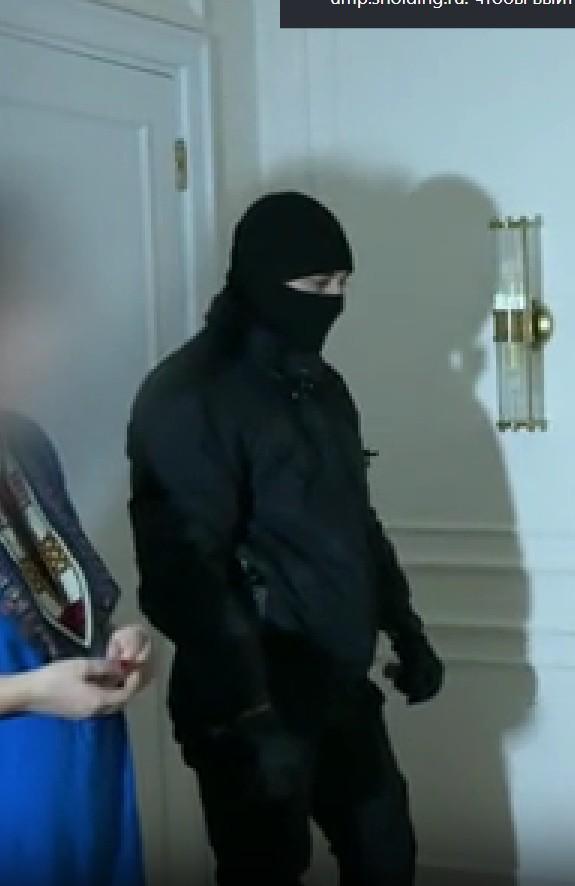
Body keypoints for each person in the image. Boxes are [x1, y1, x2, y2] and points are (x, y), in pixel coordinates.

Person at [127, 192, 444, 885]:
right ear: (264, 279)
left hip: (339, 686)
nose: (334, 302)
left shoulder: (321, 386)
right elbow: (182, 573)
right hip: (249, 702)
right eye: (317, 285)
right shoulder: (188, 395)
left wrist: (406, 631)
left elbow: (355, 522)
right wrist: (251, 710)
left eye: (342, 285)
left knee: (387, 859)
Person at [0, 409, 154, 885]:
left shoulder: (22, 441)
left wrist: (117, 643)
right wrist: (31, 692)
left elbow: (54, 597)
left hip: (88, 770)